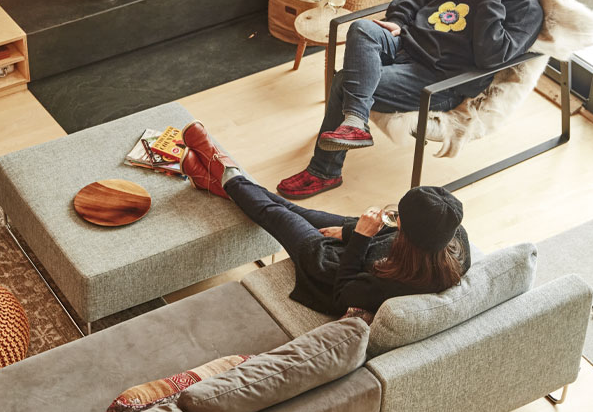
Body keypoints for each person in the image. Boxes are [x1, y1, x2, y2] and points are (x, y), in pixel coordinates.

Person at [277, 0, 545, 199]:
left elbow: (491, 57)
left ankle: (324, 171)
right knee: (362, 29)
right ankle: (356, 121)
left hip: (438, 78)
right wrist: (400, 20)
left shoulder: (527, 12)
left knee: (344, 81)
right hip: (405, 42)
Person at [180, 122, 470, 317]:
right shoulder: (452, 237)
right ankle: (214, 181)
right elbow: (394, 234)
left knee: (275, 214)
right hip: (367, 242)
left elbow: (343, 295)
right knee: (293, 208)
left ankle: (220, 163)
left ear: (408, 235)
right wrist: (349, 232)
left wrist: (359, 237)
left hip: (330, 268)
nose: (395, 216)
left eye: (399, 217)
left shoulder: (390, 283)